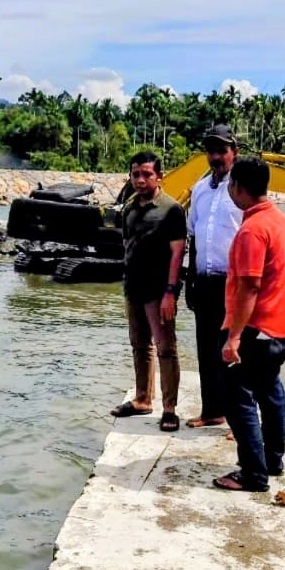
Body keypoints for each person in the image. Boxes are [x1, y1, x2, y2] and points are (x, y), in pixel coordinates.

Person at [212, 156, 285, 492]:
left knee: (238, 399)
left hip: (254, 330)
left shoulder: (252, 231)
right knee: (270, 392)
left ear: (238, 188)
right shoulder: (279, 222)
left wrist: (233, 338)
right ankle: (273, 461)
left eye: (231, 185)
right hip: (280, 329)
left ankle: (253, 473)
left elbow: (249, 287)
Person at [110, 151, 187, 432]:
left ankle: (169, 408)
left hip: (159, 290)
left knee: (166, 348)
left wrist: (170, 292)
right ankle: (143, 399)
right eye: (135, 174)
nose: (140, 180)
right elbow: (127, 246)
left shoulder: (171, 210)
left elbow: (177, 253)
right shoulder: (129, 208)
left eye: (146, 174)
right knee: (139, 345)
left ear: (159, 176)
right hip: (133, 287)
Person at [185, 124, 242, 429]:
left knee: (235, 351)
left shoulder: (242, 189)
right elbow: (193, 236)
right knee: (206, 349)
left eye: (222, 150)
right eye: (211, 151)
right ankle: (212, 412)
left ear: (235, 152)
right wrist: (190, 281)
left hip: (235, 284)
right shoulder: (199, 189)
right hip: (205, 282)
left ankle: (239, 420)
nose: (216, 157)